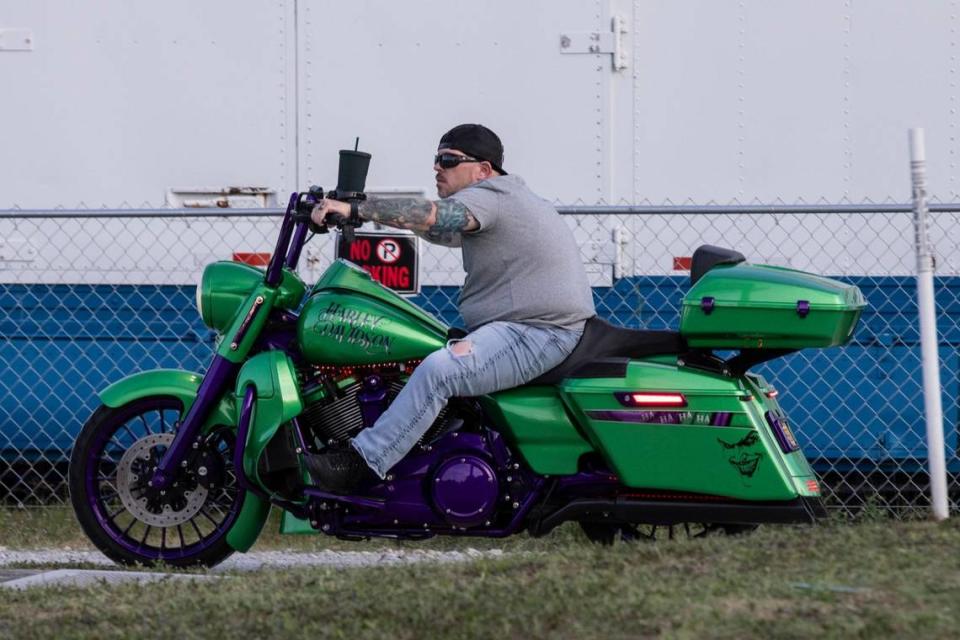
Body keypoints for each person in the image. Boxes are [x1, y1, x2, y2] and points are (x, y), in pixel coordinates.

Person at [307, 123, 595, 493]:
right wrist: (360, 210)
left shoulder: (492, 195)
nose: (437, 167)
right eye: (437, 159)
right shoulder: (499, 203)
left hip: (539, 332)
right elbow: (434, 227)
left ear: (483, 170)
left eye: (449, 160)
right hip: (529, 328)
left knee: (440, 371)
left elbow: (434, 217)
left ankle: (363, 464)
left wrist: (357, 208)